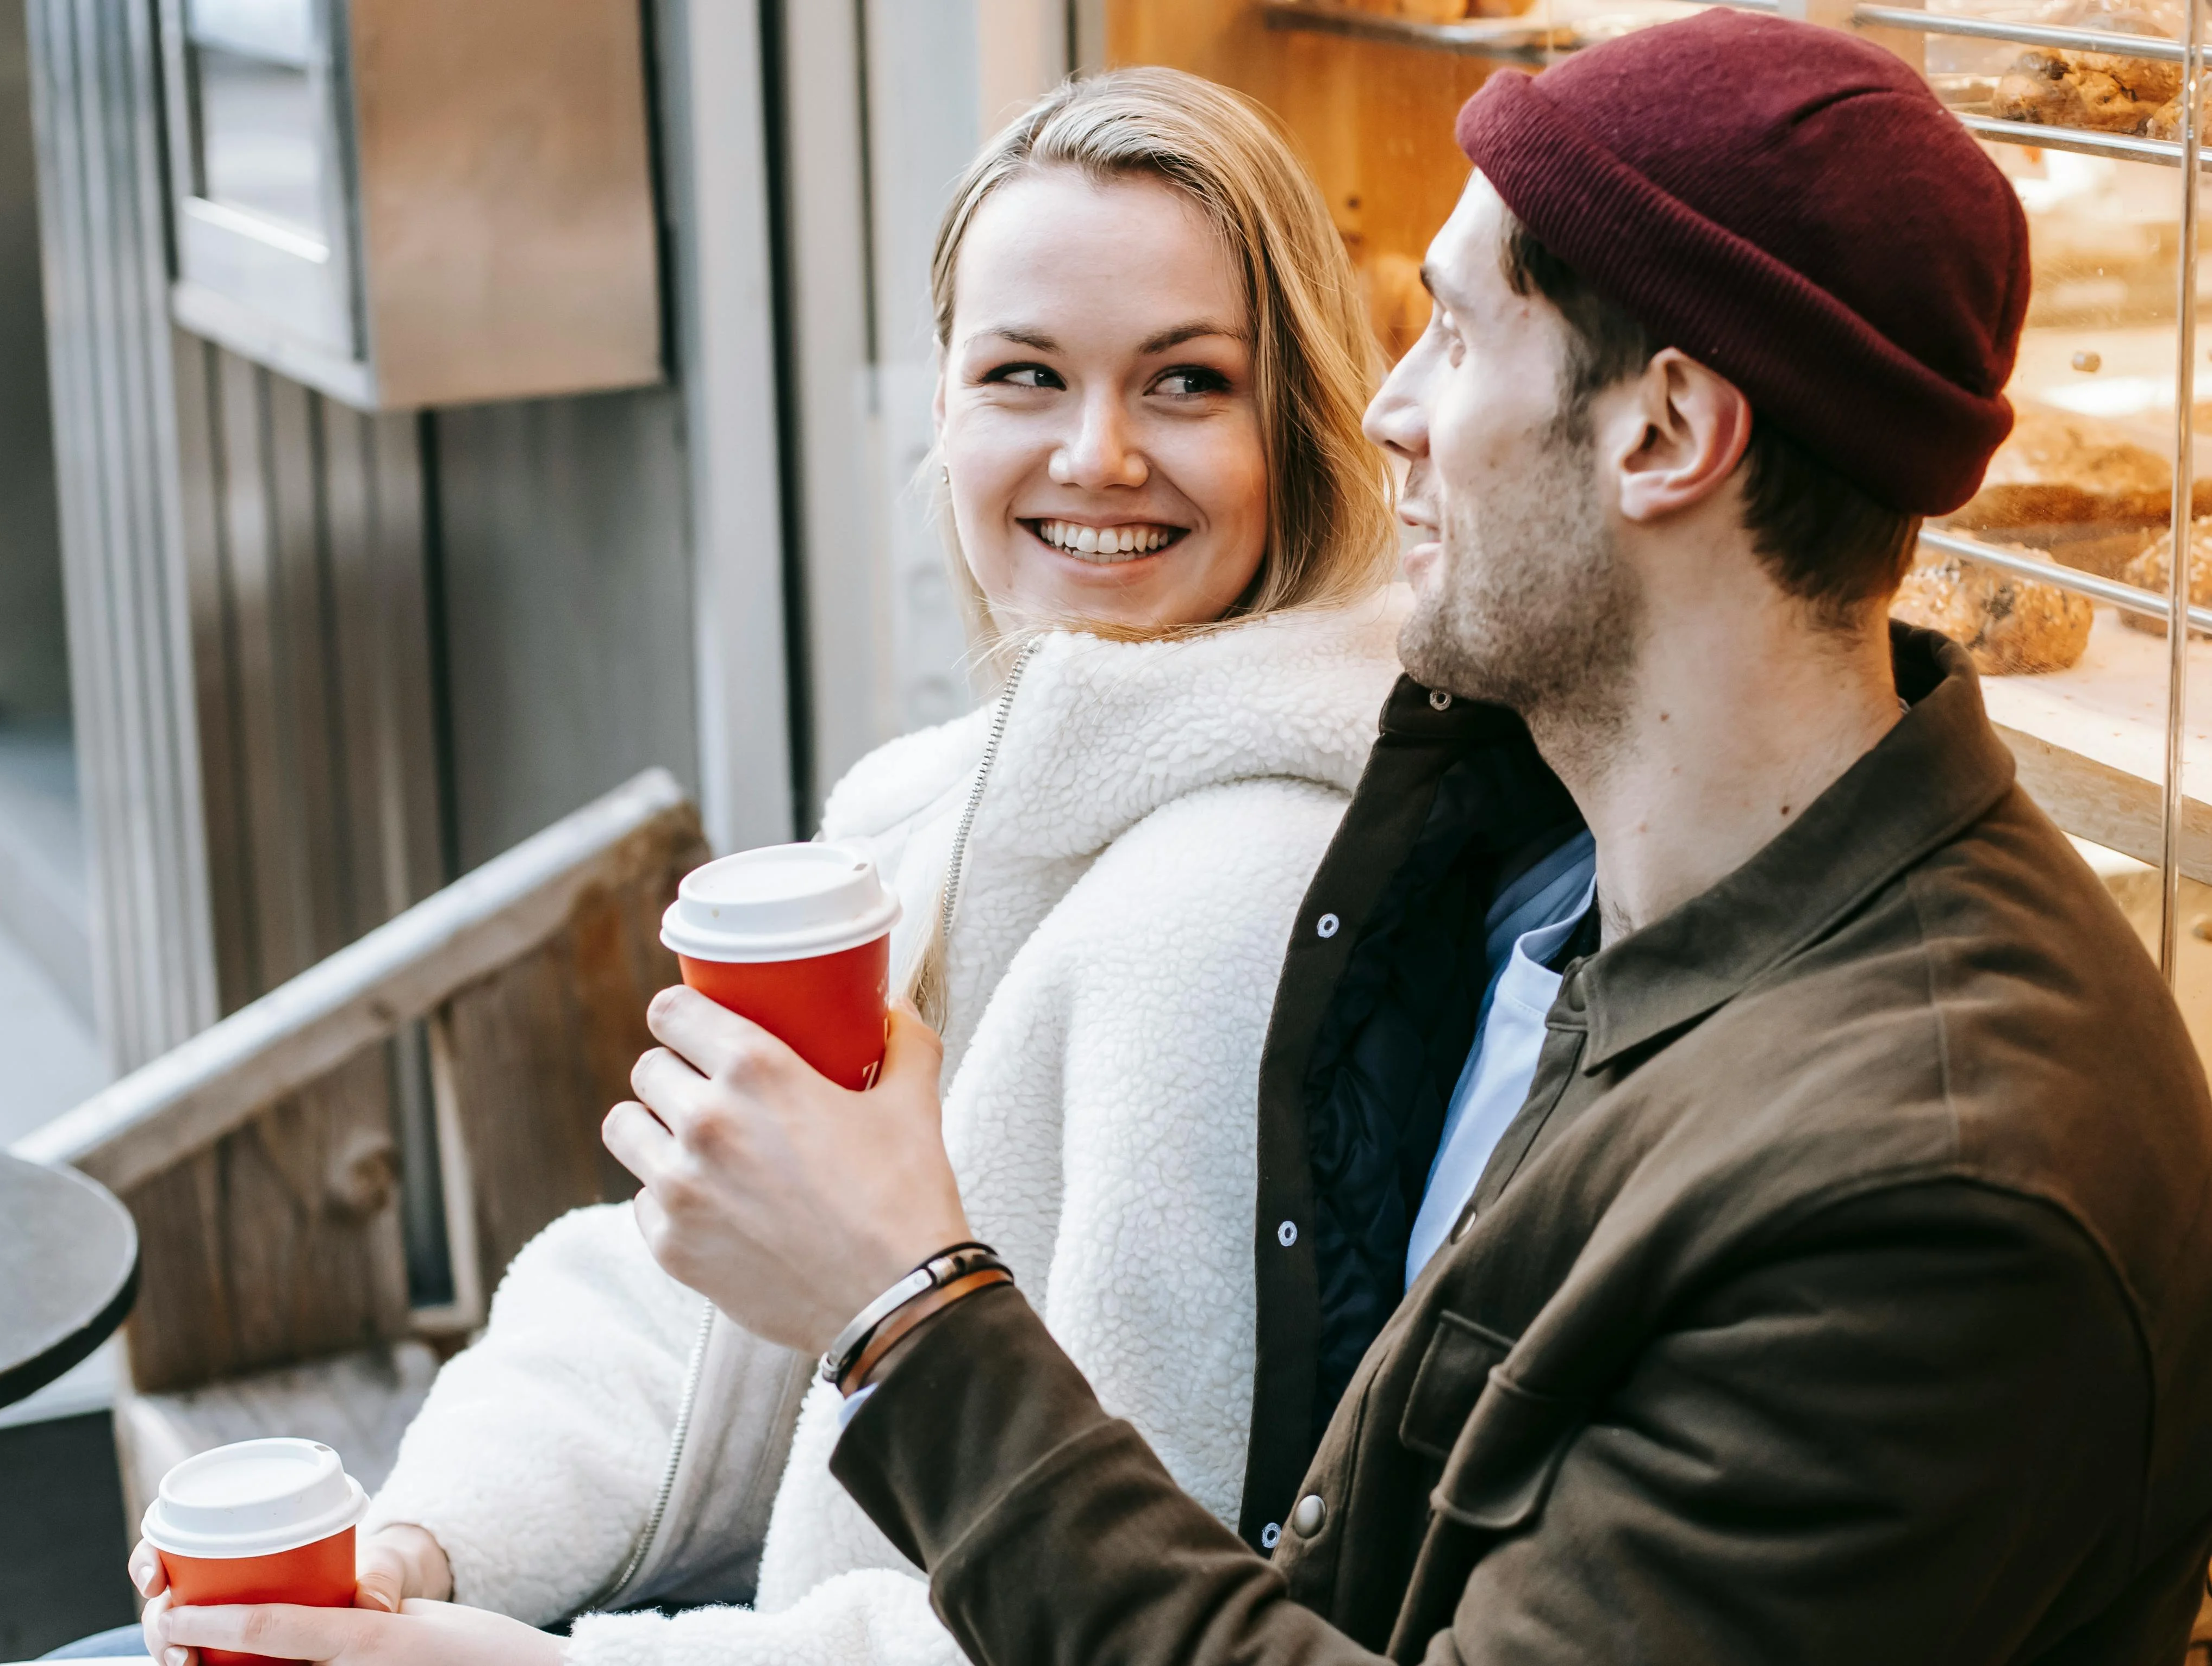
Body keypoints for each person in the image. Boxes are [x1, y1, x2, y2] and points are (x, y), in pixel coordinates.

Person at [571, 14, 2212, 1664]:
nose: (1386, 415)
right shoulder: (1573, 902)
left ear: (1664, 433)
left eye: (1453, 334)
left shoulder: (1931, 1199)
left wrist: (904, 1311)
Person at [125, 66, 1398, 1666]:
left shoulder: (1241, 905)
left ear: (1298, 422)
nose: (1096, 455)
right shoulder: (923, 806)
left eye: (1185, 383)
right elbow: (688, 1305)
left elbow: (1110, 1596)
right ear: (939, 408)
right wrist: (420, 1540)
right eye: (1022, 374)